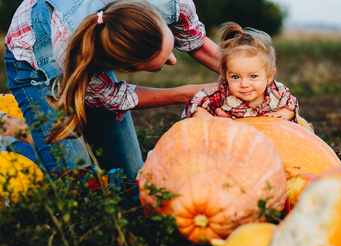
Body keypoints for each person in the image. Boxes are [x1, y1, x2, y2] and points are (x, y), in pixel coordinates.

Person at [4, 0, 220, 178]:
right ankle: (11, 136)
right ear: (121, 66)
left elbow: (196, 40)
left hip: (88, 42)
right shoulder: (73, 50)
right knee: (80, 181)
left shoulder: (171, 3)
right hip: (35, 59)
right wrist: (184, 93)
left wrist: (241, 77)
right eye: (161, 64)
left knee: (130, 182)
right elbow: (115, 96)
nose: (172, 63)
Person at [182, 22, 311, 130]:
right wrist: (212, 122)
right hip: (232, 139)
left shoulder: (277, 93)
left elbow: (291, 105)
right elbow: (195, 104)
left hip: (266, 138)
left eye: (253, 76)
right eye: (235, 77)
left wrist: (280, 115)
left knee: (302, 126)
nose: (244, 84)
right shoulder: (222, 93)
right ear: (226, 75)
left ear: (269, 76)